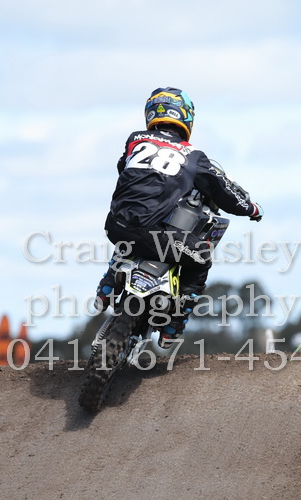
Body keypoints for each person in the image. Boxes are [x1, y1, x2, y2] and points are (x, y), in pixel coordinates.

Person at [95, 86, 263, 348]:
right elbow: (223, 191)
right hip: (155, 234)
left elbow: (123, 167)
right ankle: (175, 324)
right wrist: (251, 208)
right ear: (186, 117)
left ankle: (107, 287)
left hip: (115, 225)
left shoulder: (134, 140)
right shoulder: (193, 155)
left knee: (131, 237)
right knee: (201, 258)